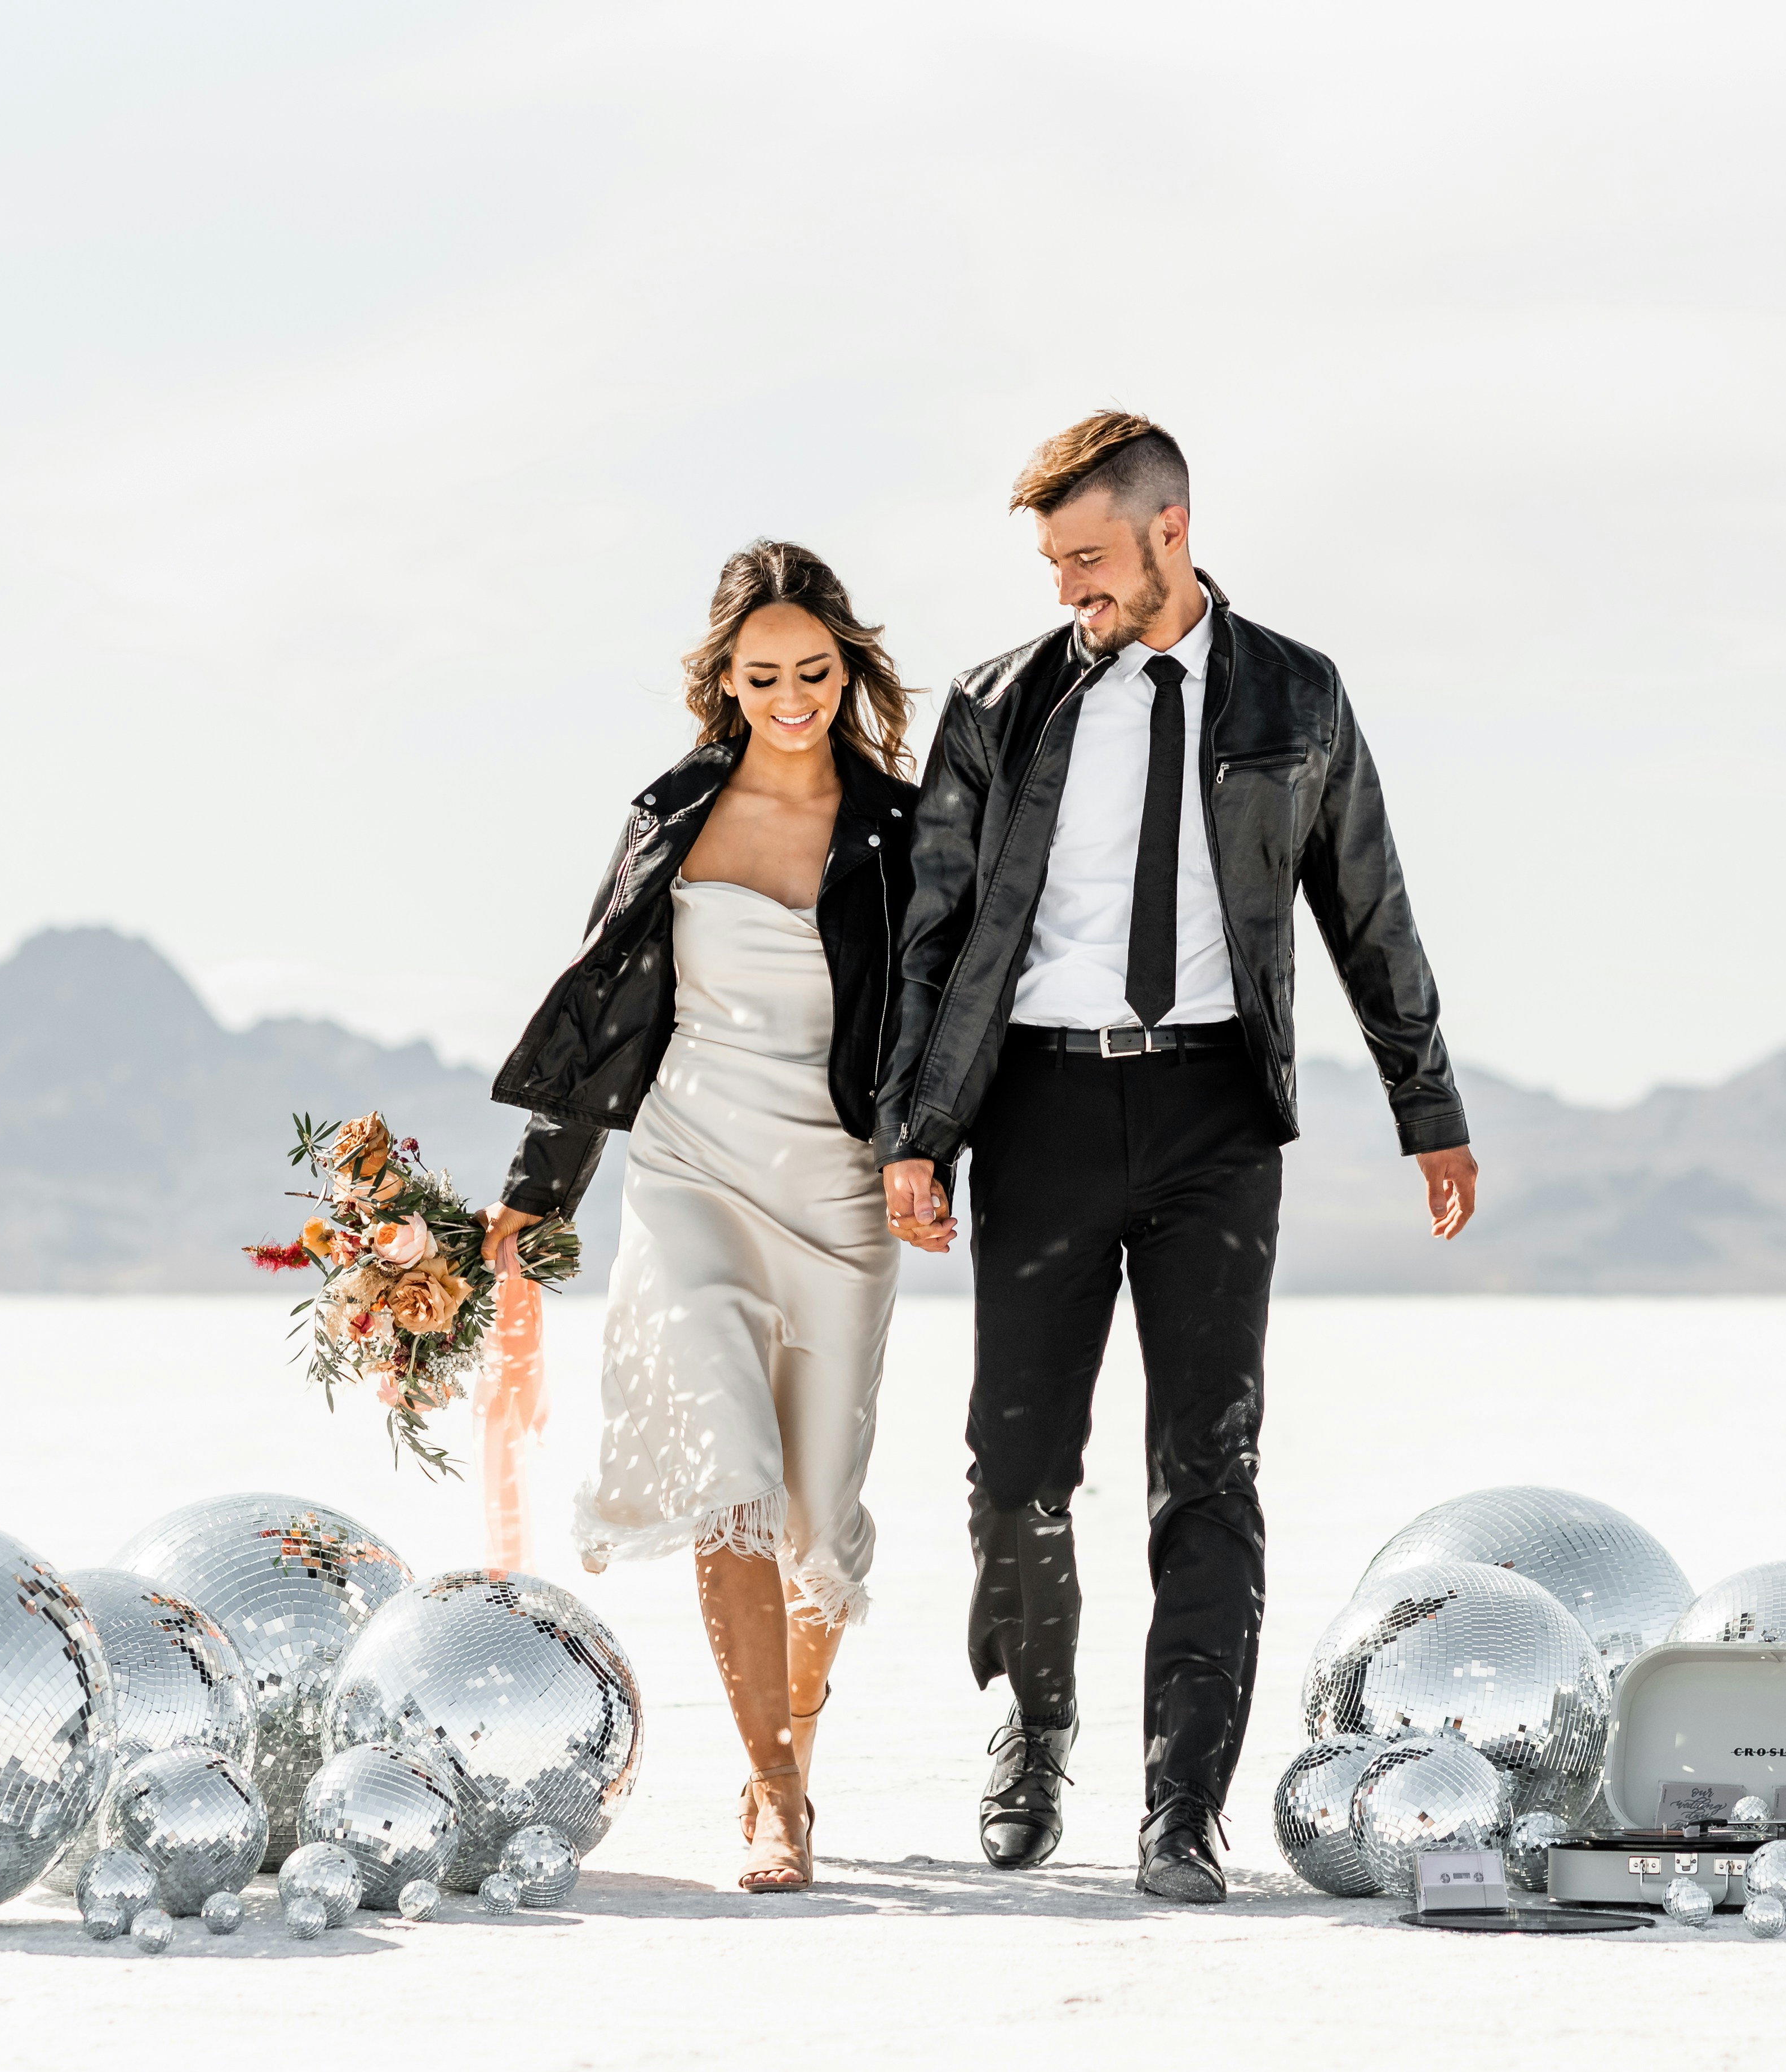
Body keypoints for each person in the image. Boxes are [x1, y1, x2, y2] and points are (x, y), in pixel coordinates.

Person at [878, 413, 1478, 1903]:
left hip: (1214, 1112)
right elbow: (933, 937)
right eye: (1050, 563)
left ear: (1168, 529)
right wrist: (914, 1133)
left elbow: (1368, 907)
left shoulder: (1293, 693)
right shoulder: (999, 703)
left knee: (1205, 1470)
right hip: (1037, 1109)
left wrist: (1428, 1105)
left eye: (1088, 556)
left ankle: (1180, 1804)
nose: (1067, 587)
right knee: (1014, 1464)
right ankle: (1033, 1719)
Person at [487, 540, 939, 1894]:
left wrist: (934, 1162)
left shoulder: (903, 827)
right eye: (763, 674)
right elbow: (606, 1009)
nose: (790, 695)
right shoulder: (671, 812)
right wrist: (538, 1191)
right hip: (691, 1170)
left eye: (813, 670)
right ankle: (777, 1789)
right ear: (723, 681)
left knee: (815, 1507)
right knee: (730, 1484)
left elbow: (943, 1027)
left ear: (845, 669)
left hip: (842, 1191)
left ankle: (786, 1742)